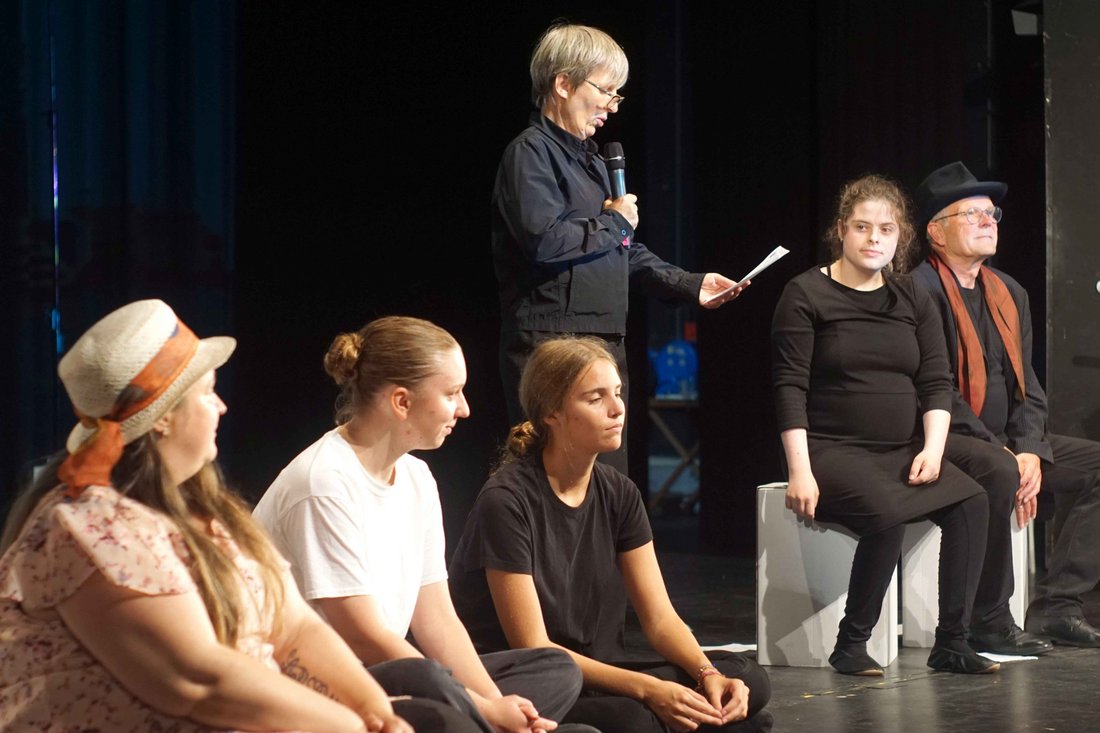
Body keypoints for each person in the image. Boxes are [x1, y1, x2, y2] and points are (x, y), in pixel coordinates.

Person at [0, 299, 473, 732]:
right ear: (163, 417)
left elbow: (295, 627)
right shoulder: (91, 529)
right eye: (208, 393)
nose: (222, 406)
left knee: (434, 712)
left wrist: (376, 711)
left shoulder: (211, 514)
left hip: (265, 715)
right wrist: (352, 726)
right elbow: (201, 682)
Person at [252, 316, 585, 733]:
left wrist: (497, 704)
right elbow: (363, 637)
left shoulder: (417, 478)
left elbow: (437, 620)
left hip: (393, 674)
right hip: (325, 683)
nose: (464, 409)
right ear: (401, 402)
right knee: (425, 678)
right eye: (451, 393)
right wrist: (484, 709)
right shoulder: (323, 482)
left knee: (555, 667)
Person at [448, 337, 773, 732]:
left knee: (748, 678)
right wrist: (648, 690)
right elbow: (533, 646)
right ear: (552, 412)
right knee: (637, 720)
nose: (617, 408)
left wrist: (708, 675)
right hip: (533, 683)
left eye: (617, 393)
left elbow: (660, 618)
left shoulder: (620, 492)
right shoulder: (506, 501)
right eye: (596, 398)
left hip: (600, 671)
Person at [492, 21, 746, 473]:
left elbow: (621, 249)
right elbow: (544, 240)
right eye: (605, 90)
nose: (611, 105)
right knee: (554, 483)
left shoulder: (593, 164)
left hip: (605, 344)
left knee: (608, 482)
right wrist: (614, 222)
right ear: (563, 84)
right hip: (551, 348)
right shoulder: (530, 154)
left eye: (617, 94)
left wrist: (689, 284)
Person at [772, 174, 999, 676]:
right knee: (887, 512)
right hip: (831, 450)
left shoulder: (911, 296)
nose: (874, 238)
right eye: (862, 227)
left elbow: (936, 382)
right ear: (841, 231)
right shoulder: (806, 293)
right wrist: (800, 470)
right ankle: (851, 643)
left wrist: (933, 449)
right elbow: (789, 386)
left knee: (972, 500)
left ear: (901, 238)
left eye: (886, 229)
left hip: (899, 449)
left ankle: (952, 641)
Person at [911, 161, 1100, 648]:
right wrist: (1006, 453)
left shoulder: (1009, 292)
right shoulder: (919, 292)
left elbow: (1027, 385)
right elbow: (936, 388)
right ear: (936, 231)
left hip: (1008, 443)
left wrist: (1030, 448)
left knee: (1096, 466)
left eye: (992, 213)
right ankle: (990, 619)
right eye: (971, 213)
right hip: (945, 439)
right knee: (996, 469)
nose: (988, 221)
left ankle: (1057, 605)